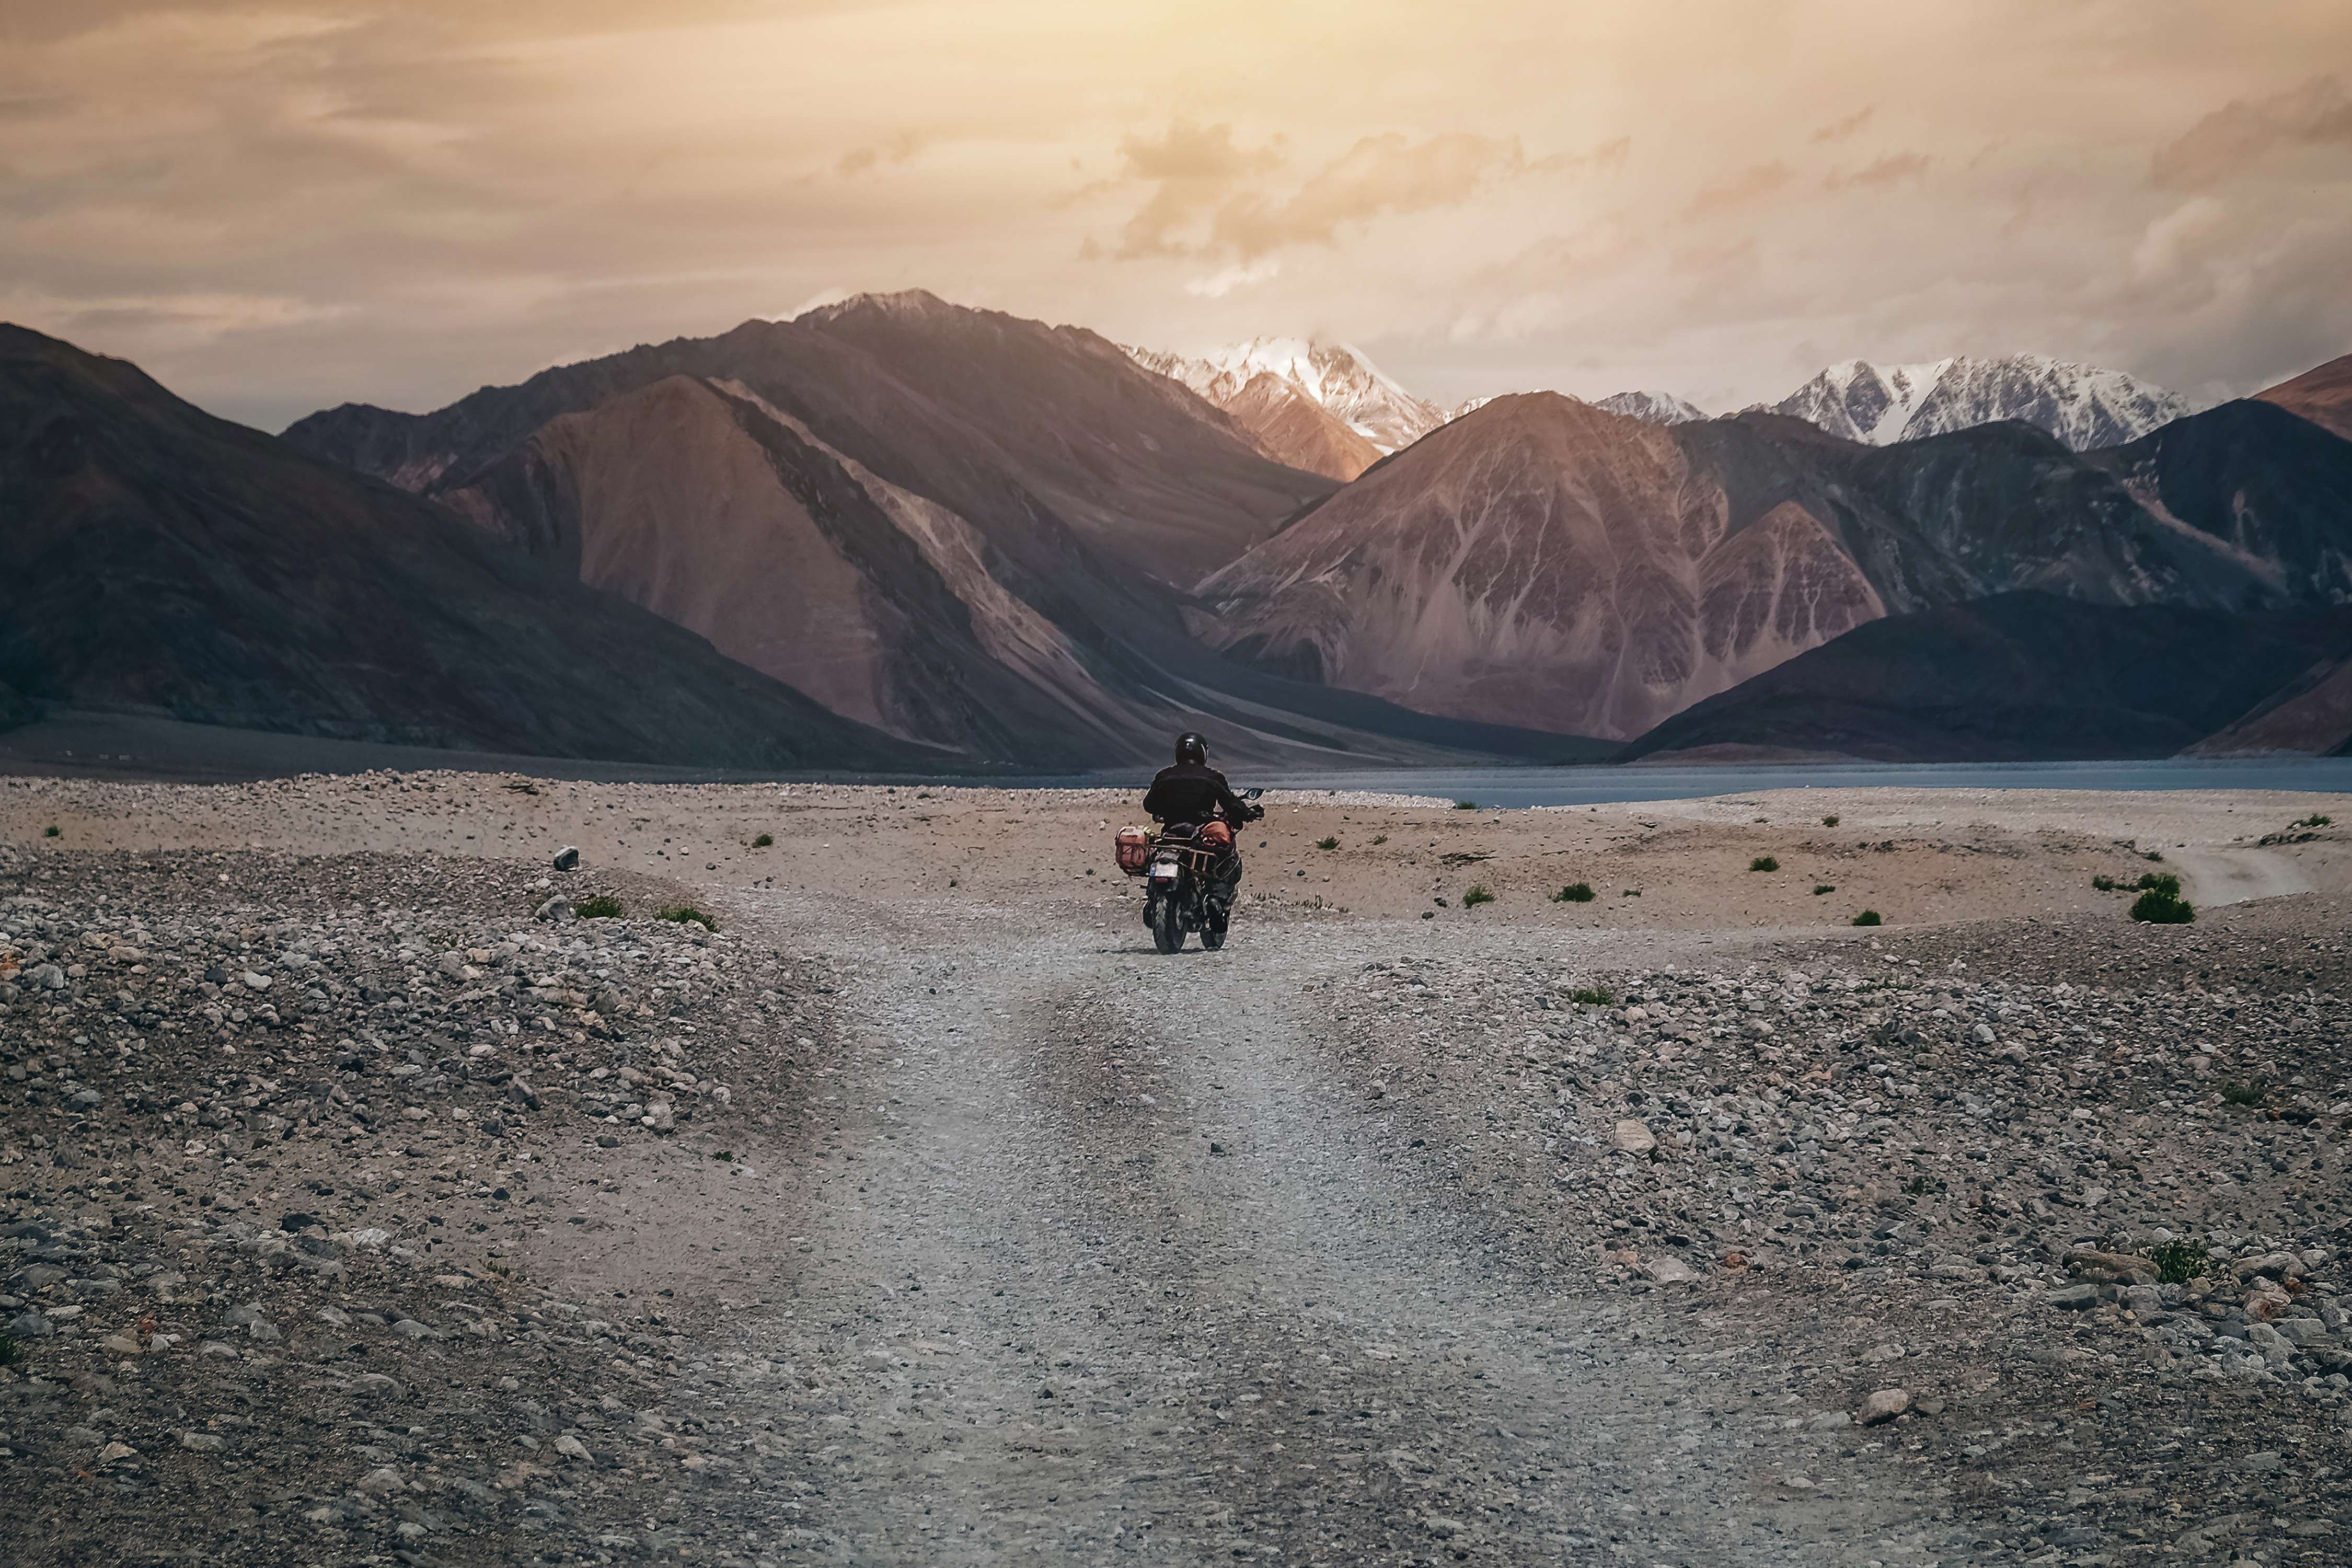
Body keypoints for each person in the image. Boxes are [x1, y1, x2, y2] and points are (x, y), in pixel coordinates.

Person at [1142, 732, 1262, 920]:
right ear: (1203, 753)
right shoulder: (1212, 777)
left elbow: (1149, 805)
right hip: (1199, 834)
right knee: (1228, 858)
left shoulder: (1164, 776)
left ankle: (1153, 899)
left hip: (1171, 834)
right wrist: (1248, 813)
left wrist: (1165, 809)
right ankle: (1216, 897)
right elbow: (1231, 804)